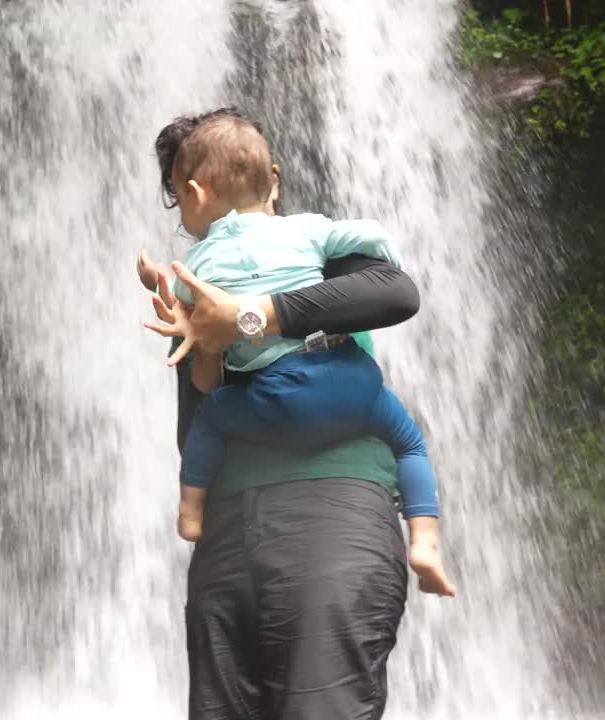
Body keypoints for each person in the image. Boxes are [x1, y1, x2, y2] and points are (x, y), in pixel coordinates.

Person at [140, 108, 456, 720]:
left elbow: (395, 291)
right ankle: (425, 537)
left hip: (331, 515)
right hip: (230, 539)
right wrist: (199, 347)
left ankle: (425, 537)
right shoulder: (203, 279)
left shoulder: (311, 249)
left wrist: (251, 315)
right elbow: (193, 430)